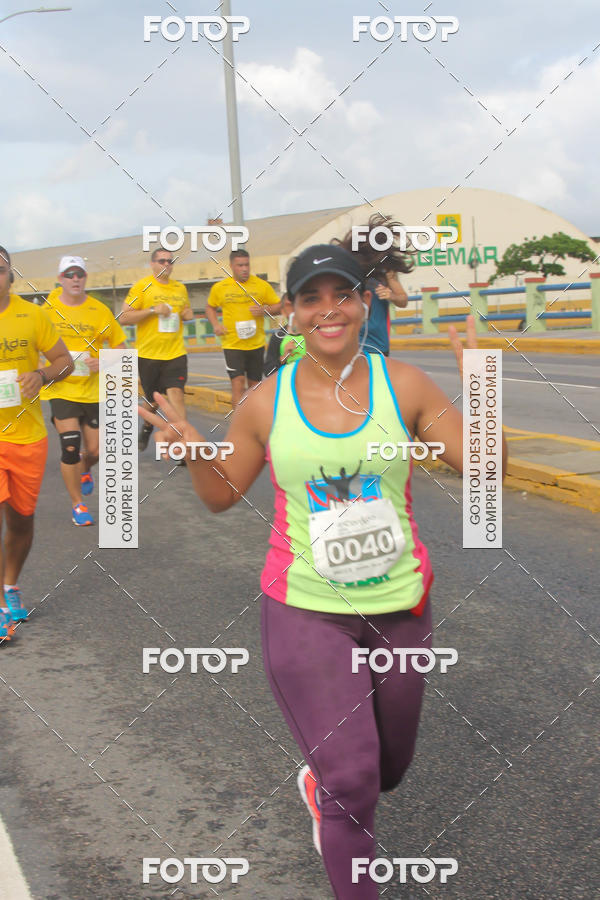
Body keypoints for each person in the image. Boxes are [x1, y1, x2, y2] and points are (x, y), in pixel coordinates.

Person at [139, 239, 507, 898]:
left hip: (401, 610)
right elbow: (221, 496)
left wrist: (481, 382)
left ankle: (323, 785)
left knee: (387, 769)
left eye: (344, 294)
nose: (329, 310)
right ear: (291, 311)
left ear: (365, 302)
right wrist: (196, 451)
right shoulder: (264, 403)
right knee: (354, 781)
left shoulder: (405, 387)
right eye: (312, 298)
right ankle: (336, 803)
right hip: (306, 610)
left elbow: (487, 467)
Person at [0, 247, 73, 637]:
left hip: (27, 437)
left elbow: (65, 361)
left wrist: (42, 375)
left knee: (20, 522)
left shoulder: (32, 315)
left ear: (10, 275)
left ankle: (10, 584)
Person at [42, 256, 127, 525]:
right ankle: (78, 505)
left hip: (93, 391)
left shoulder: (99, 311)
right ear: (60, 279)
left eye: (79, 274)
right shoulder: (48, 309)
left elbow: (120, 348)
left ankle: (85, 468)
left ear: (85, 277)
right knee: (70, 447)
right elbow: (34, 345)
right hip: (60, 389)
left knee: (97, 450)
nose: (75, 279)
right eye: (69, 274)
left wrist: (101, 362)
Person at [120, 248, 194, 451]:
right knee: (153, 400)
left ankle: (183, 445)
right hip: (149, 355)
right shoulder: (142, 287)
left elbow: (186, 311)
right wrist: (153, 310)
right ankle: (146, 427)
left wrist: (188, 314)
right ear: (152, 264)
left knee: (176, 393)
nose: (166, 265)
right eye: (162, 261)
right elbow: (124, 317)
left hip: (175, 352)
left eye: (170, 261)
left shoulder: (180, 288)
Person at [206, 249, 281, 406]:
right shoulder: (221, 287)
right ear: (232, 266)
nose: (244, 269)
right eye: (240, 265)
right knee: (238, 383)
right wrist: (216, 325)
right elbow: (210, 307)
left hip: (256, 343)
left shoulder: (261, 285)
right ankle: (238, 425)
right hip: (232, 343)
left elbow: (279, 306)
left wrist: (264, 310)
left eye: (247, 265)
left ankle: (253, 424)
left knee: (255, 387)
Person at [334, 213, 411, 357]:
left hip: (378, 343)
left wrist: (391, 295)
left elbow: (403, 300)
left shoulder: (387, 271)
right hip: (352, 342)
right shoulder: (349, 270)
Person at [263, 294, 306, 377]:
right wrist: (284, 356)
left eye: (296, 303)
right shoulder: (278, 337)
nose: (294, 308)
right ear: (283, 311)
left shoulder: (315, 333)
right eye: (289, 305)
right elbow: (268, 372)